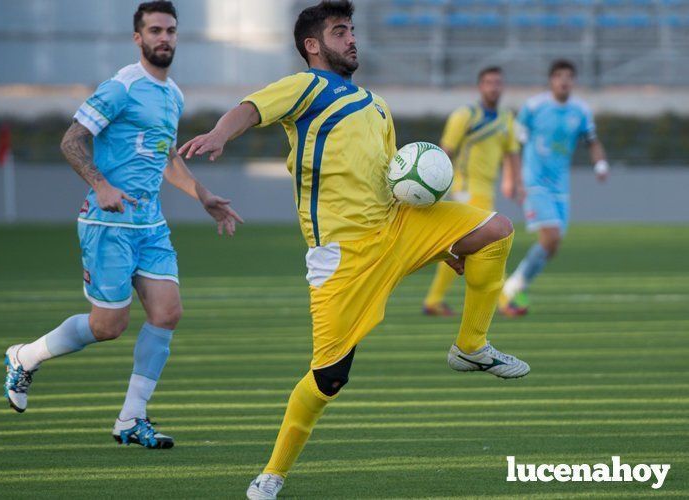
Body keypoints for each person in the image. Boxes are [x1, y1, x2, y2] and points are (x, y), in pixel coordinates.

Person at [181, 2, 529, 497]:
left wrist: (438, 246)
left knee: (496, 229)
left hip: (398, 224)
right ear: (312, 45)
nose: (351, 39)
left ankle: (471, 348)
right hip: (343, 256)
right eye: (339, 31)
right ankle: (272, 474)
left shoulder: (377, 105)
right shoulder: (307, 88)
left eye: (351, 30)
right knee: (328, 380)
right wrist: (220, 132)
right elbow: (251, 108)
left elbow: (398, 183)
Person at [2, 0, 242, 449]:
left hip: (150, 225)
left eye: (170, 30)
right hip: (108, 223)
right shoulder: (121, 87)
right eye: (155, 30)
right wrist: (102, 184)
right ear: (138, 38)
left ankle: (131, 420)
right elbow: (72, 141)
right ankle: (25, 356)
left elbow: (165, 158)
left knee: (167, 312)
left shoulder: (173, 95)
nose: (164, 38)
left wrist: (203, 195)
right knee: (108, 326)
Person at [499, 59, 609, 315]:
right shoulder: (534, 107)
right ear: (551, 80)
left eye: (569, 75)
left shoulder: (580, 110)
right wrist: (511, 178)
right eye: (559, 75)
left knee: (553, 246)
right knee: (551, 236)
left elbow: (592, 141)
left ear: (574, 81)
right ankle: (512, 287)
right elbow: (511, 143)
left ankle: (516, 285)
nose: (564, 80)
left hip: (560, 187)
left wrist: (601, 164)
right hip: (534, 182)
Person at [422, 66, 523, 317]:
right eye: (488, 82)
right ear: (480, 86)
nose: (493, 87)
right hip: (465, 190)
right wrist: (436, 187)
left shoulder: (506, 118)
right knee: (494, 242)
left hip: (486, 190)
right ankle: (505, 300)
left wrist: (512, 181)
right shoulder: (465, 116)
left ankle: (434, 300)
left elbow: (511, 152)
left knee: (458, 247)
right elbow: (445, 152)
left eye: (498, 82)